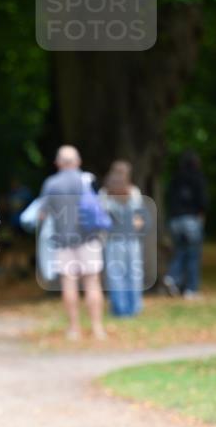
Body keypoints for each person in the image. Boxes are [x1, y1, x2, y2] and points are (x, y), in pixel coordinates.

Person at [39, 145, 106, 341]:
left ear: (58, 163)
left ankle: (74, 329)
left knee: (69, 284)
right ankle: (97, 329)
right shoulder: (88, 180)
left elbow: (42, 214)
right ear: (78, 161)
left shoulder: (51, 184)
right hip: (89, 239)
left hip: (63, 241)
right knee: (92, 283)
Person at [99, 161, 145, 317]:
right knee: (134, 274)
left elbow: (102, 219)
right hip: (132, 240)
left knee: (116, 275)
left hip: (113, 240)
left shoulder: (105, 193)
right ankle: (134, 307)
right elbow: (138, 220)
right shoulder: (134, 192)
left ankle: (120, 308)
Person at [163, 151, 208, 299]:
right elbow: (202, 201)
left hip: (175, 220)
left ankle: (172, 276)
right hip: (191, 220)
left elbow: (169, 199)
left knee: (181, 251)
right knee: (193, 255)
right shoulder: (198, 178)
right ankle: (191, 289)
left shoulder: (175, 178)